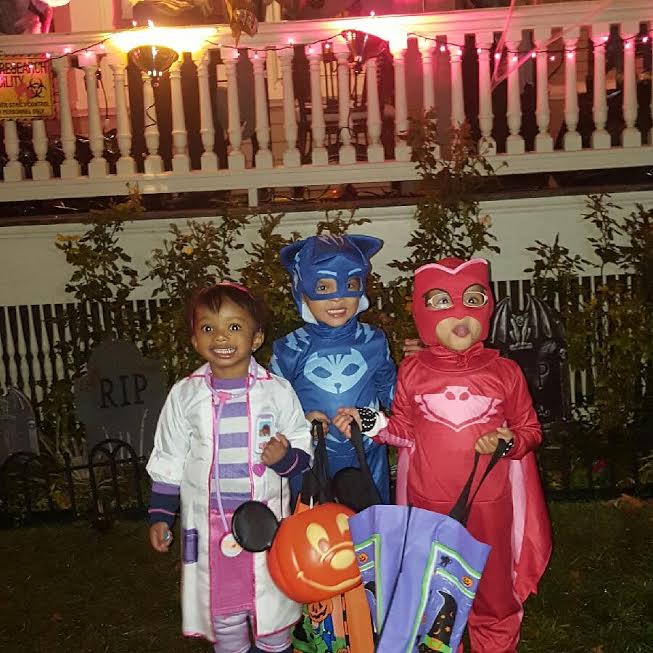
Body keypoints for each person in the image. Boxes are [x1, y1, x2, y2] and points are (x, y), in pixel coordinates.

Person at [334, 257, 552, 653]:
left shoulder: (505, 373)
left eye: (472, 299)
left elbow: (530, 430)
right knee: (432, 591)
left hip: (490, 505)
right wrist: (367, 420)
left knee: (493, 589)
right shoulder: (414, 371)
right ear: (422, 310)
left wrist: (507, 440)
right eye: (442, 303)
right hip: (427, 505)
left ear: (487, 306)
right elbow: (403, 429)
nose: (459, 315)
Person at [147, 281, 312, 653]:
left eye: (234, 327)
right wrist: (161, 514)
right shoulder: (185, 395)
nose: (221, 336)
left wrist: (285, 459)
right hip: (212, 530)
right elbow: (169, 456)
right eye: (208, 328)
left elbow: (303, 444)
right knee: (224, 614)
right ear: (194, 340)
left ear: (256, 339)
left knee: (273, 610)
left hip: (266, 526)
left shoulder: (277, 391)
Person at [270, 233, 396, 504]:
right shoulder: (289, 348)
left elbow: (397, 396)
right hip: (311, 464)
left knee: (370, 534)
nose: (338, 299)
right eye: (323, 288)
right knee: (314, 537)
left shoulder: (374, 340)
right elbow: (271, 409)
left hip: (367, 459)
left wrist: (422, 369)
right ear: (301, 290)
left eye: (349, 284)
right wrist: (302, 421)